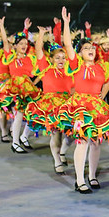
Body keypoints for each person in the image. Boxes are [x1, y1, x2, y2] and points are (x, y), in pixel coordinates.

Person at [55, 7, 109, 193]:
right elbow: (67, 43)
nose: (90, 50)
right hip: (80, 106)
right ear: (80, 52)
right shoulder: (76, 64)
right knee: (82, 141)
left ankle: (92, 176)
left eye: (92, 48)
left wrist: (102, 96)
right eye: (86, 48)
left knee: (96, 142)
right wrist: (65, 23)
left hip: (96, 107)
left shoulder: (101, 67)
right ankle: (80, 180)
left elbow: (107, 82)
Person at [0, 16, 41, 154]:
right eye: (21, 44)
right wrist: (2, 27)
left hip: (28, 87)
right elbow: (4, 41)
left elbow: (39, 72)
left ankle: (24, 136)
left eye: (25, 44)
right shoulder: (10, 56)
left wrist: (33, 83)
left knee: (35, 113)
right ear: (15, 45)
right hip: (15, 87)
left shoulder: (30, 58)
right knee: (19, 115)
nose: (24, 46)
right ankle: (15, 142)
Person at [23, 27, 73, 175]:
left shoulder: (70, 70)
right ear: (51, 59)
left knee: (73, 133)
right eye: (57, 58)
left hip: (67, 104)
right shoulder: (45, 68)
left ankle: (63, 152)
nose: (61, 60)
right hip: (51, 104)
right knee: (56, 134)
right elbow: (38, 49)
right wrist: (42, 35)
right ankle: (57, 160)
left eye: (63, 57)